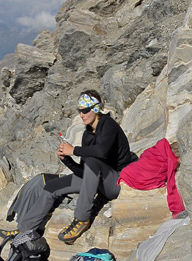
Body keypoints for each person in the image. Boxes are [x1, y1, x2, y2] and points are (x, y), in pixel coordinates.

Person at [49, 90, 138, 243]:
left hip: (121, 181)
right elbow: (86, 174)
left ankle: (81, 219)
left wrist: (74, 150)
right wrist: (67, 159)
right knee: (89, 163)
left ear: (96, 109)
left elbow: (102, 152)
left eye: (85, 110)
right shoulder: (88, 135)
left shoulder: (108, 125)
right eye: (80, 111)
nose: (81, 114)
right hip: (105, 183)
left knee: (92, 160)